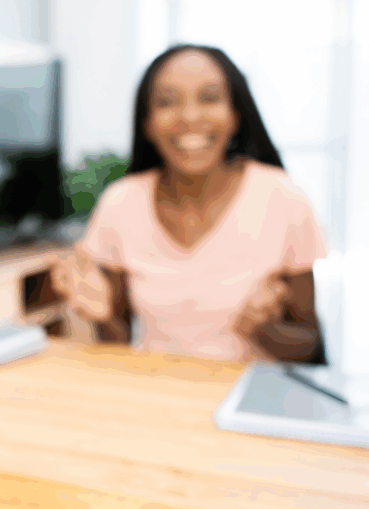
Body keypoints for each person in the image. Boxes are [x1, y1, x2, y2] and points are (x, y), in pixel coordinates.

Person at [61, 44, 327, 363]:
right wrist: (102, 317)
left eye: (209, 98)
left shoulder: (283, 199)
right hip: (159, 388)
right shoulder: (121, 204)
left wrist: (265, 329)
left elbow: (310, 346)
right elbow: (118, 344)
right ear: (147, 122)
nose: (189, 117)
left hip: (250, 392)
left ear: (236, 115)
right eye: (167, 102)